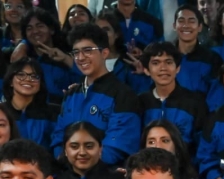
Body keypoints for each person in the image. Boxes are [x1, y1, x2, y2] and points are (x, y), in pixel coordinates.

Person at [51, 23, 141, 166]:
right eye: (76, 52)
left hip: (106, 176)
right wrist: (67, 165)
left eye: (87, 50)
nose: (80, 57)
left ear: (104, 53)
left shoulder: (123, 94)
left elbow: (119, 145)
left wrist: (81, 166)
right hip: (68, 174)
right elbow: (58, 137)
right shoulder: (71, 95)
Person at [136, 41, 208, 151]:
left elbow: (202, 146)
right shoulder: (140, 102)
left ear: (178, 68)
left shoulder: (195, 103)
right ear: (146, 70)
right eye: (156, 63)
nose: (163, 68)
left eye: (168, 62)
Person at [9, 8, 79, 106]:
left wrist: (65, 59)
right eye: (29, 28)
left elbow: (86, 81)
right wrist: (23, 44)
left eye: (40, 26)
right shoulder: (25, 58)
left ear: (52, 30)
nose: (35, 31)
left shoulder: (67, 55)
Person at [1, 58, 60, 148]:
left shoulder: (54, 113)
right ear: (10, 82)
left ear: (40, 84)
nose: (28, 79)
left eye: (34, 76)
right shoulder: (2, 112)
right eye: (21, 75)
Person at [173, 4, 222, 96]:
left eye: (191, 21)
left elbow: (217, 93)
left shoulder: (212, 59)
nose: (186, 25)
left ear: (200, 27)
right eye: (181, 21)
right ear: (174, 26)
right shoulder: (165, 56)